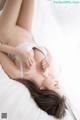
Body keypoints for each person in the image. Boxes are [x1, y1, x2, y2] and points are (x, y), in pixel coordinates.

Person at [0, 0, 66, 119]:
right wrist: (49, 58)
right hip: (25, 29)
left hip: (6, 32)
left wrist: (18, 52)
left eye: (56, 86)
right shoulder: (49, 70)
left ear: (43, 91)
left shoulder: (21, 74)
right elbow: (44, 48)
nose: (57, 82)